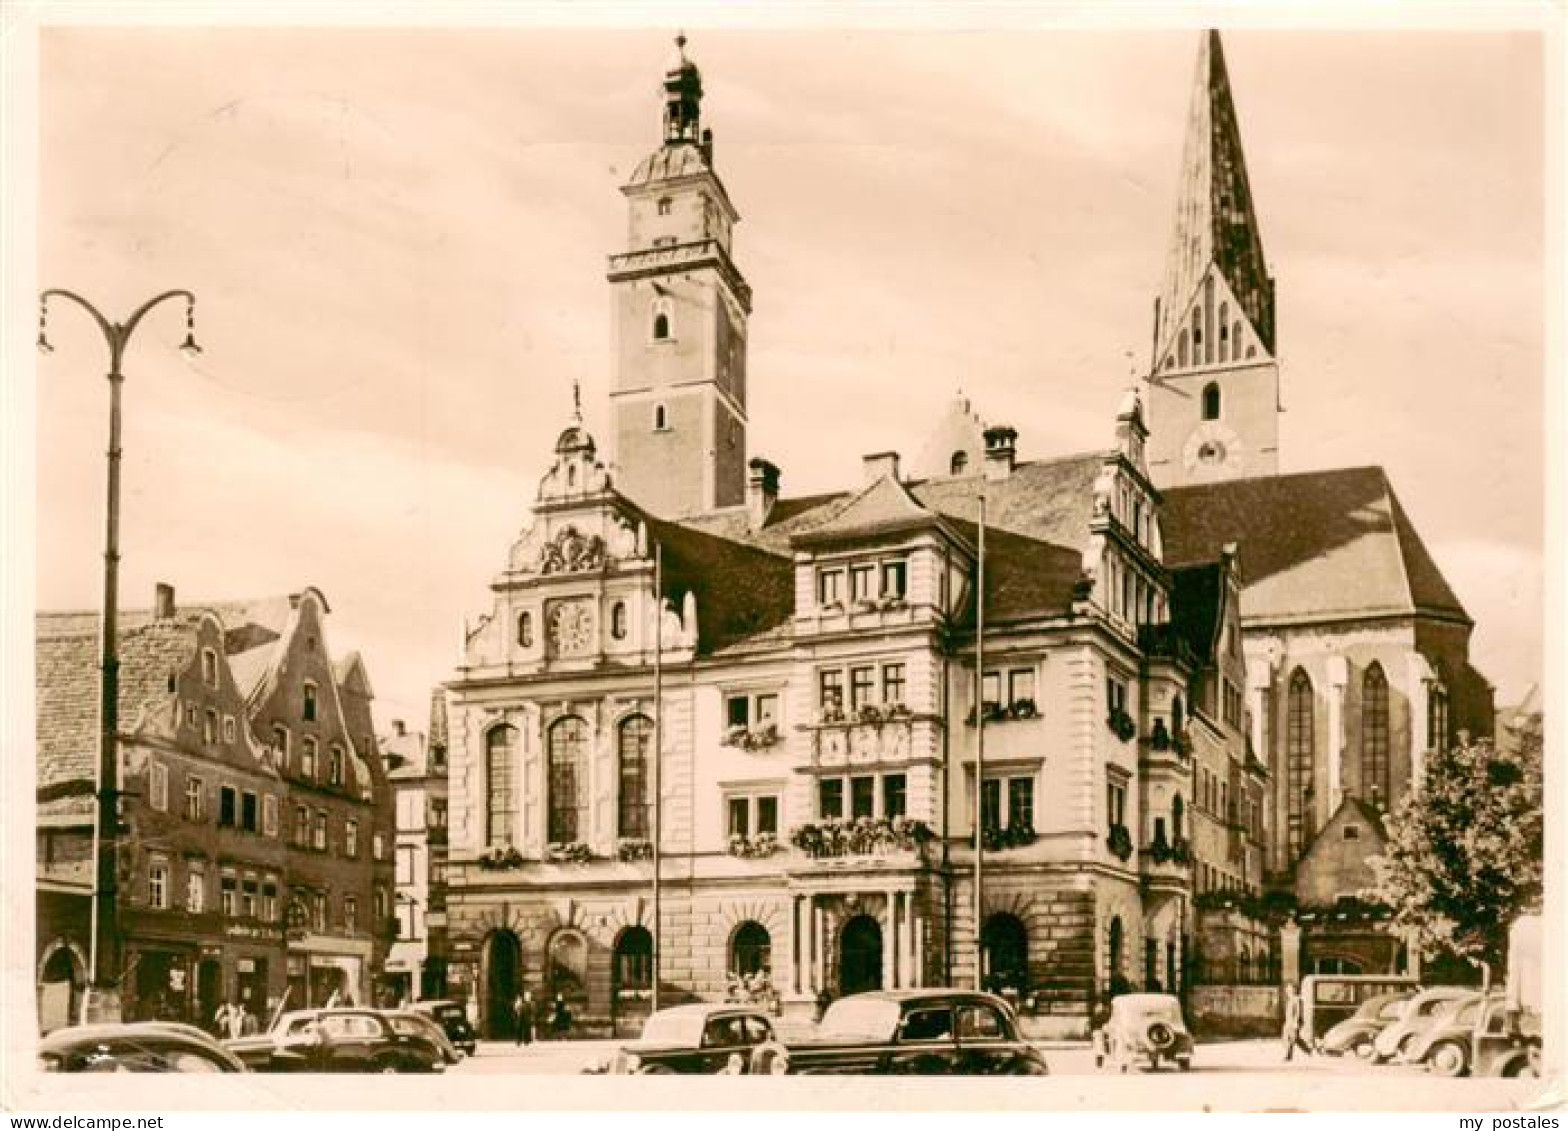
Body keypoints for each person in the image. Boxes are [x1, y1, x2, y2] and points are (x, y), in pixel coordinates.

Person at [1281, 983, 1312, 1061]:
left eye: (1290, 989)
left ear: (1294, 990)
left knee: (1292, 1038)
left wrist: (1296, 1022)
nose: (1288, 990)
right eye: (1287, 989)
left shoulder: (1297, 999)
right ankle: (1308, 1050)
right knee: (1294, 1038)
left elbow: (1298, 1012)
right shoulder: (1290, 999)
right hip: (1289, 1022)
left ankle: (1288, 1055)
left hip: (1294, 1022)